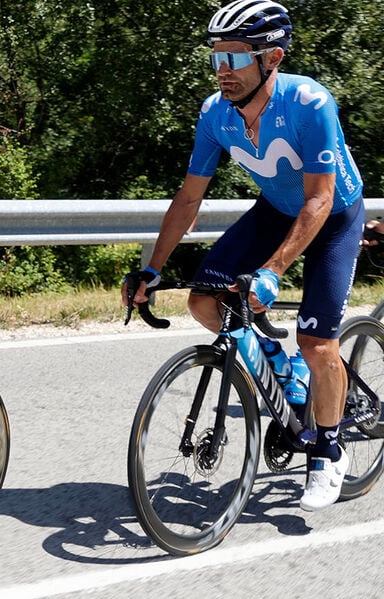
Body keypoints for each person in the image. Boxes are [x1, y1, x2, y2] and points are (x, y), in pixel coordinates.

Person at [123, 0, 364, 512]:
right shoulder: (215, 115)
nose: (221, 73)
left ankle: (328, 448)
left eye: (233, 60)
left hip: (333, 215)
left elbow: (319, 199)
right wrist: (153, 267)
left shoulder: (308, 102)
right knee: (204, 302)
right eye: (215, 59)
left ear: (271, 58)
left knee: (318, 341)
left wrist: (274, 271)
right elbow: (189, 198)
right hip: (276, 210)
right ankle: (278, 363)